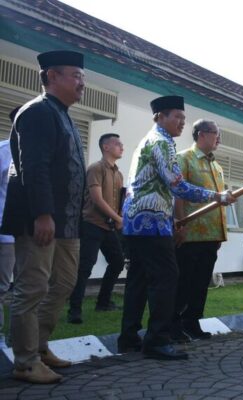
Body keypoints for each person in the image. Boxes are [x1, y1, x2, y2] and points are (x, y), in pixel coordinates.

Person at [117, 96, 234, 360]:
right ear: (160, 116)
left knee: (138, 280)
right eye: (176, 117)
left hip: (136, 221)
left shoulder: (150, 140)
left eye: (183, 117)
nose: (182, 122)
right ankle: (157, 340)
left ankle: (129, 337)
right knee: (167, 278)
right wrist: (216, 196)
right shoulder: (162, 142)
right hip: (152, 222)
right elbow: (178, 186)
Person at [1, 50, 86, 384]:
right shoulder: (36, 112)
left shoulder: (63, 115)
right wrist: (43, 214)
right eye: (76, 75)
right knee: (32, 287)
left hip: (67, 222)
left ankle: (40, 345)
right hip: (42, 218)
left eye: (83, 77)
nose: (82, 83)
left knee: (63, 283)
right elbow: (33, 167)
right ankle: (24, 361)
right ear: (52, 76)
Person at [171, 119, 228, 342]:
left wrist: (221, 232)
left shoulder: (217, 166)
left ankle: (192, 321)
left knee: (201, 283)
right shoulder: (184, 158)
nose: (219, 139)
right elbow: (178, 193)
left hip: (211, 235)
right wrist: (180, 223)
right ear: (202, 134)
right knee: (184, 281)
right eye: (216, 133)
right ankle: (173, 324)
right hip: (191, 233)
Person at [66, 133, 125, 324]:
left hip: (108, 227)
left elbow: (116, 202)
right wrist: (117, 218)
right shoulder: (95, 168)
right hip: (91, 224)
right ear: (106, 147)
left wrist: (118, 218)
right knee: (85, 267)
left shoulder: (118, 173)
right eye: (117, 144)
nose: (121, 146)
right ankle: (74, 311)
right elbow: (96, 199)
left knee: (117, 261)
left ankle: (103, 302)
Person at [0, 108, 18, 350]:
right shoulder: (4, 151)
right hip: (3, 232)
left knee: (12, 287)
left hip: (19, 234)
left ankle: (14, 339)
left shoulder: (35, 154)